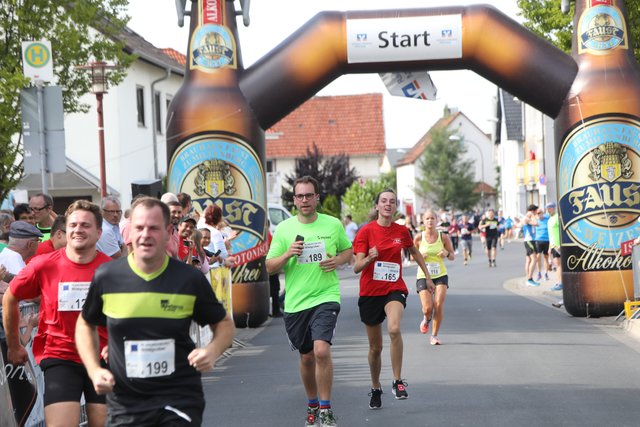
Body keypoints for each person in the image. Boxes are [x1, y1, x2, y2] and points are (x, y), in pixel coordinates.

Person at [75, 196, 235, 426]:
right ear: (129, 232)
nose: (145, 234)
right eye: (139, 228)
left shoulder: (188, 279)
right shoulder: (107, 277)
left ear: (169, 232)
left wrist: (212, 351)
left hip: (178, 397)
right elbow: (85, 324)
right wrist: (93, 369)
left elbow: (224, 324)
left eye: (153, 228)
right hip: (126, 403)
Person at [2, 200, 112, 427]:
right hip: (60, 357)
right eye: (73, 225)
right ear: (64, 230)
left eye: (85, 225)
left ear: (99, 233)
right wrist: (14, 344)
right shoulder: (44, 265)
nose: (78, 230)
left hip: (103, 358)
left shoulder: (113, 270)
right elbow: (11, 296)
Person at [266, 175, 352, 427]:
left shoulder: (332, 224)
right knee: (306, 357)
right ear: (294, 200)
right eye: (300, 196)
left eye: (309, 195)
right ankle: (312, 403)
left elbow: (348, 251)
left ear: (317, 198)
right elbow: (269, 267)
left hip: (326, 296)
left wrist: (337, 261)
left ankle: (325, 409)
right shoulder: (284, 229)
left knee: (321, 350)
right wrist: (287, 254)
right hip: (296, 303)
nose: (304, 200)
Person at [353, 189, 434, 410]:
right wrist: (369, 258)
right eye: (383, 201)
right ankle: (375, 386)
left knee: (395, 329)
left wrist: (427, 276)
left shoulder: (401, 231)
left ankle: (397, 381)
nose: (388, 204)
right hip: (370, 292)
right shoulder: (366, 231)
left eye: (391, 201)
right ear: (377, 206)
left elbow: (414, 252)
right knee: (375, 348)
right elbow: (356, 267)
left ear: (395, 206)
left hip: (393, 289)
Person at [413, 209, 454, 346]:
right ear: (423, 221)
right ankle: (426, 319)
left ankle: (434, 335)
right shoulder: (418, 238)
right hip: (424, 275)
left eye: (432, 218)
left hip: (440, 274)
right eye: (427, 218)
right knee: (427, 308)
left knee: (438, 304)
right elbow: (411, 257)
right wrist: (420, 257)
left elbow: (452, 256)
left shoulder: (443, 237)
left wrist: (446, 253)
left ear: (436, 220)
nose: (430, 221)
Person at [522, 204, 540, 286]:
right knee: (534, 259)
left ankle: (528, 279)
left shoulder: (527, 218)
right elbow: (536, 223)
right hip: (529, 240)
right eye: (536, 211)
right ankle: (529, 279)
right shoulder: (527, 218)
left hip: (530, 240)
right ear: (533, 211)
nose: (537, 213)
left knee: (529, 260)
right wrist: (533, 215)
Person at [535, 205, 552, 282]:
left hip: (546, 240)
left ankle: (546, 273)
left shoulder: (547, 218)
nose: (539, 214)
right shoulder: (535, 220)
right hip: (538, 240)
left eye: (540, 213)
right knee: (538, 256)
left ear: (543, 213)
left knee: (546, 257)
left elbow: (551, 213)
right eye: (538, 213)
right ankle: (539, 273)